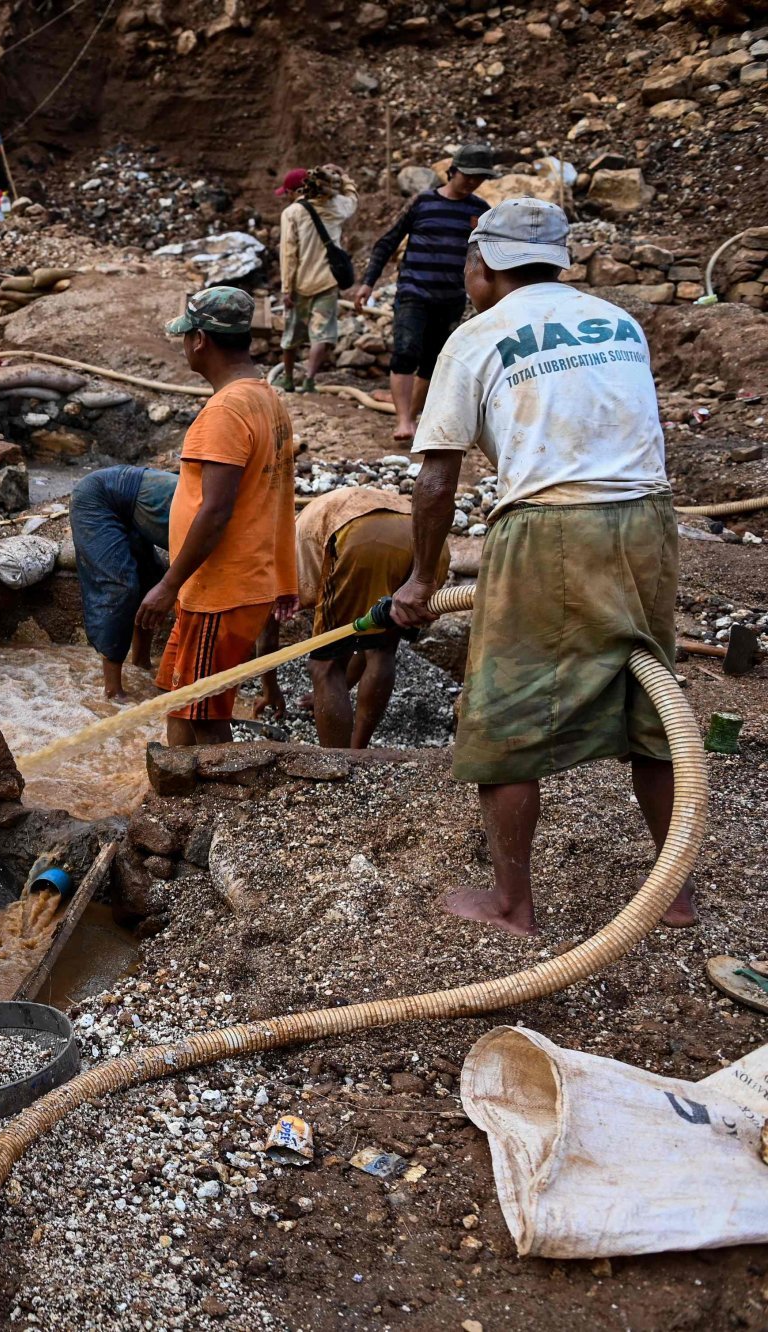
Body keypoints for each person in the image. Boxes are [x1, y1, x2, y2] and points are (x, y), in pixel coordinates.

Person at [388, 198, 686, 936]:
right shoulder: (619, 322)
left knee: (501, 716)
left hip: (549, 525)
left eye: (467, 263)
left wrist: (423, 581)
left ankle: (512, 906)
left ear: (482, 265)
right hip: (649, 521)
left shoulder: (474, 336)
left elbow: (435, 479)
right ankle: (676, 895)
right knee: (654, 707)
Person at [136, 286, 298, 746]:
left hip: (220, 589)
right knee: (185, 703)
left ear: (200, 340)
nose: (185, 346)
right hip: (233, 583)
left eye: (186, 337)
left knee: (203, 717)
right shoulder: (266, 398)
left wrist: (168, 585)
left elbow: (217, 509)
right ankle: (181, 800)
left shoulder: (226, 411)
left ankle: (209, 811)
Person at [353, 143, 495, 441]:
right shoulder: (423, 203)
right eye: (467, 175)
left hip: (451, 297)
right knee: (406, 351)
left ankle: (413, 419)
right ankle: (403, 421)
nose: (471, 182)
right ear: (452, 171)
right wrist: (368, 282)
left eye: (478, 177)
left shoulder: (480, 212)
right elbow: (387, 242)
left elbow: (488, 255)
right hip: (414, 291)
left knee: (433, 360)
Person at [297, 486, 446, 748]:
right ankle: (360, 751)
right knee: (382, 647)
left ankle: (337, 766)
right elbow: (363, 639)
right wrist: (338, 688)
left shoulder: (286, 545)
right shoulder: (311, 521)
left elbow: (272, 617)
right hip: (429, 541)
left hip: (364, 537)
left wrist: (271, 689)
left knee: (324, 665)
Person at [69, 465, 177, 700]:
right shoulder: (211, 517)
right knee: (121, 587)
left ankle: (141, 664)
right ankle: (113, 691)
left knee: (152, 578)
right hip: (97, 498)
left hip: (126, 499)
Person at [276, 165, 357, 394]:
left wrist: (286, 289)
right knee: (321, 334)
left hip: (300, 284)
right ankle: (310, 380)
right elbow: (352, 199)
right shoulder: (335, 205)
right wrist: (345, 177)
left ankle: (288, 379)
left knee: (291, 334)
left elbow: (288, 254)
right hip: (328, 282)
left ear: (294, 192)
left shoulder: (292, 213)